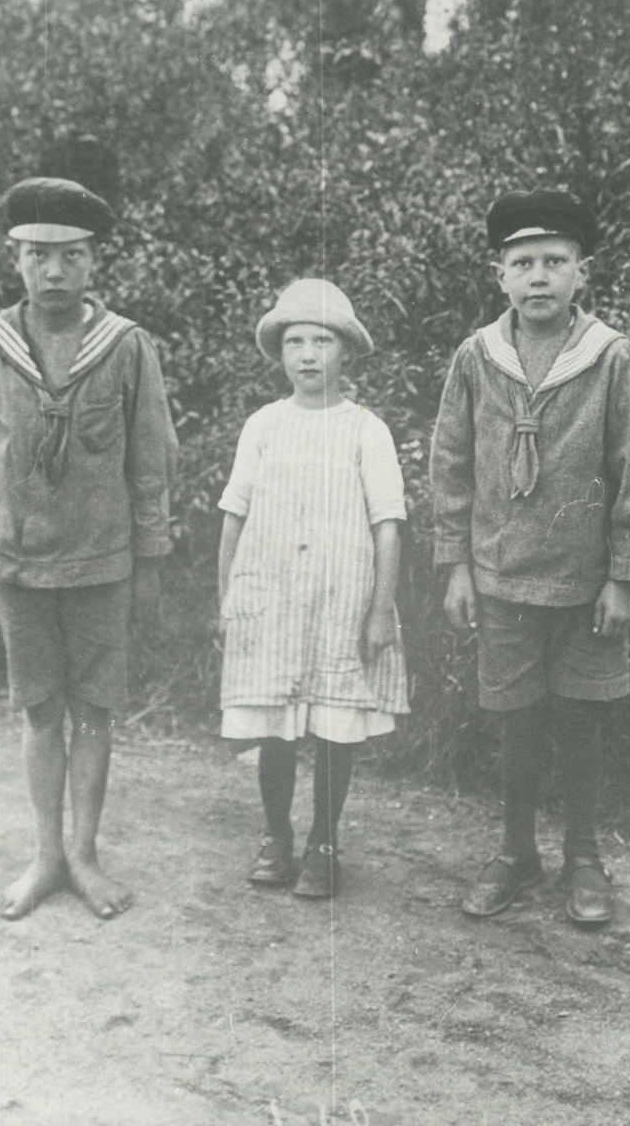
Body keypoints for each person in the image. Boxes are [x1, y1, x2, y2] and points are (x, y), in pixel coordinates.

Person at [0, 177, 178, 920]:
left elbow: (151, 461)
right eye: (38, 256)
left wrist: (148, 562)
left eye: (71, 256)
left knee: (96, 712)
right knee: (41, 712)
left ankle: (84, 853)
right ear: (15, 259)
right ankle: (46, 855)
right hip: (18, 564)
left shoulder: (126, 347)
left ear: (92, 261)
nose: (54, 272)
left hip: (102, 562)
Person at [430, 188, 630, 924]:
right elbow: (451, 462)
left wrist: (625, 577)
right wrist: (457, 565)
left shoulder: (610, 356)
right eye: (522, 263)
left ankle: (583, 857)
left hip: (585, 582)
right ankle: (516, 852)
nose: (538, 277)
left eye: (554, 262)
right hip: (501, 578)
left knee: (581, 717)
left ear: (581, 273)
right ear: (499, 275)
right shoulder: (478, 356)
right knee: (517, 719)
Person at [218, 278, 410, 898]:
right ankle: (276, 835)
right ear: (280, 352)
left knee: (334, 724)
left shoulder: (366, 430)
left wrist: (380, 610)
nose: (307, 355)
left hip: (340, 603)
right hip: (271, 601)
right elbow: (235, 514)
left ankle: (324, 843)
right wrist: (227, 600)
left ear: (345, 351)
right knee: (275, 723)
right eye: (294, 342)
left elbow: (387, 523)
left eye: (321, 341)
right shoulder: (264, 425)